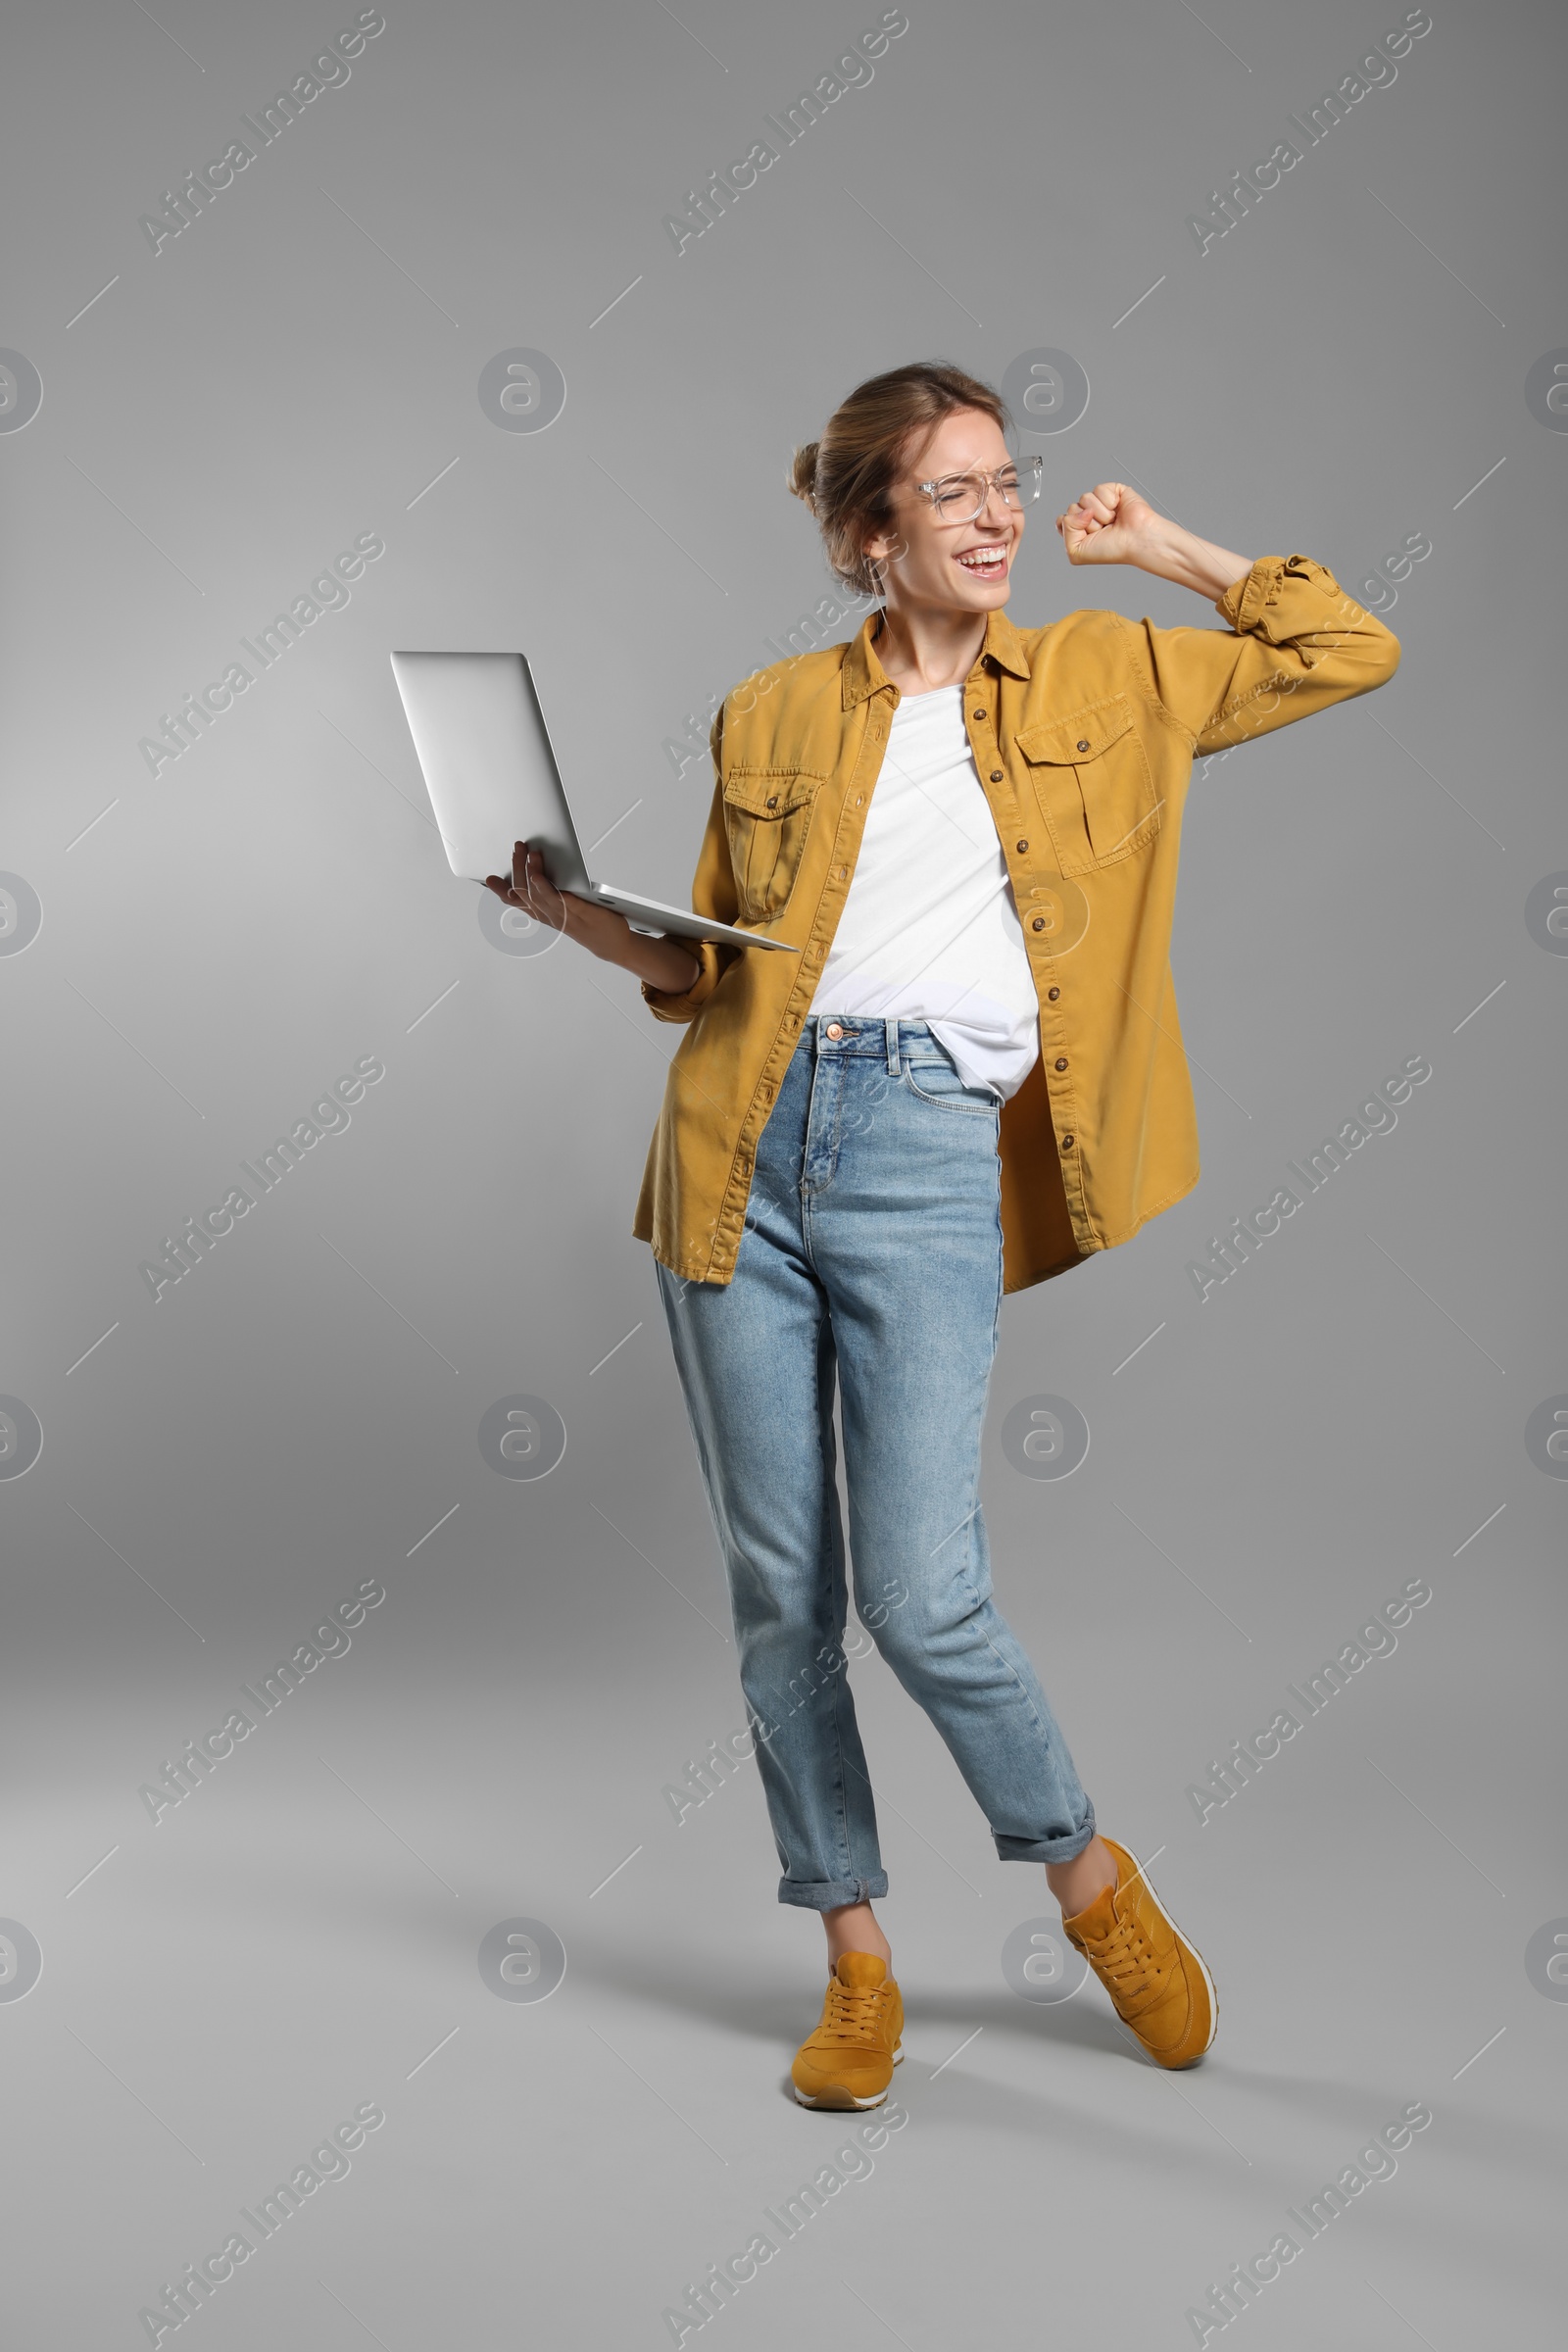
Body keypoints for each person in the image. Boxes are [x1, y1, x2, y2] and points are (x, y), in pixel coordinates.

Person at [486, 361, 1400, 2109]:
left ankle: (1090, 1884)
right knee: (782, 1598)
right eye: (956, 492)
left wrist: (1170, 553)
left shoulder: (1113, 674)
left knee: (923, 1594)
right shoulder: (768, 713)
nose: (998, 518)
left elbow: (1347, 648)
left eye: (1009, 484)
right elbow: (698, 976)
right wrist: (573, 917)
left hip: (921, 1158)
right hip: (736, 1154)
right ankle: (854, 1961)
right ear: (865, 534)